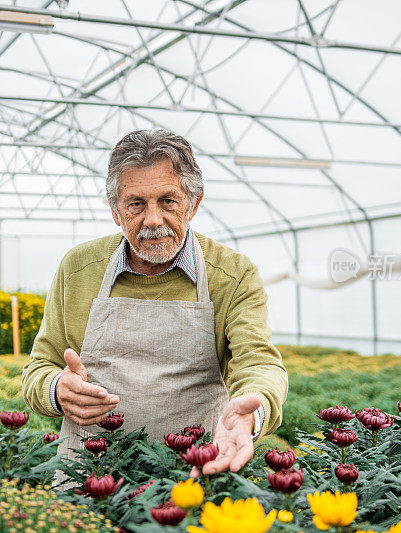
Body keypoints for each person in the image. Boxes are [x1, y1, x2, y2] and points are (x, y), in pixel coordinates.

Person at [22, 129, 288, 476]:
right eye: (136, 204)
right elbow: (38, 368)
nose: (153, 220)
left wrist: (251, 413)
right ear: (116, 211)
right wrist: (57, 390)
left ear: (193, 203)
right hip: (90, 470)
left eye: (168, 201)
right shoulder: (79, 269)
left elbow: (259, 362)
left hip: (193, 469)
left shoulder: (231, 274)